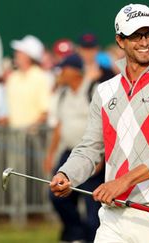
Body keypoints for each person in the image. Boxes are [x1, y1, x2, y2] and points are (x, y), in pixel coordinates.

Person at [50, 4, 149, 242]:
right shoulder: (105, 90)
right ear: (120, 40)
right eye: (136, 36)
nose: (144, 42)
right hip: (115, 216)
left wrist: (123, 182)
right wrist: (68, 173)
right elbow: (90, 147)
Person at [44, 54, 104, 242]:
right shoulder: (63, 94)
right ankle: (76, 233)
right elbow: (59, 126)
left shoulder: (93, 90)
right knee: (57, 195)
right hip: (69, 152)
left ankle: (90, 236)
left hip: (91, 154)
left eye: (63, 69)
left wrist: (100, 157)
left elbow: (105, 125)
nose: (60, 73)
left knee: (92, 202)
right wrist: (51, 154)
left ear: (74, 71)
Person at [5, 35, 51, 128]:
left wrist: (31, 128)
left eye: (20, 52)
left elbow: (45, 111)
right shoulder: (13, 77)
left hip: (33, 137)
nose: (16, 54)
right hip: (13, 136)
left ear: (29, 56)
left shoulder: (41, 77)